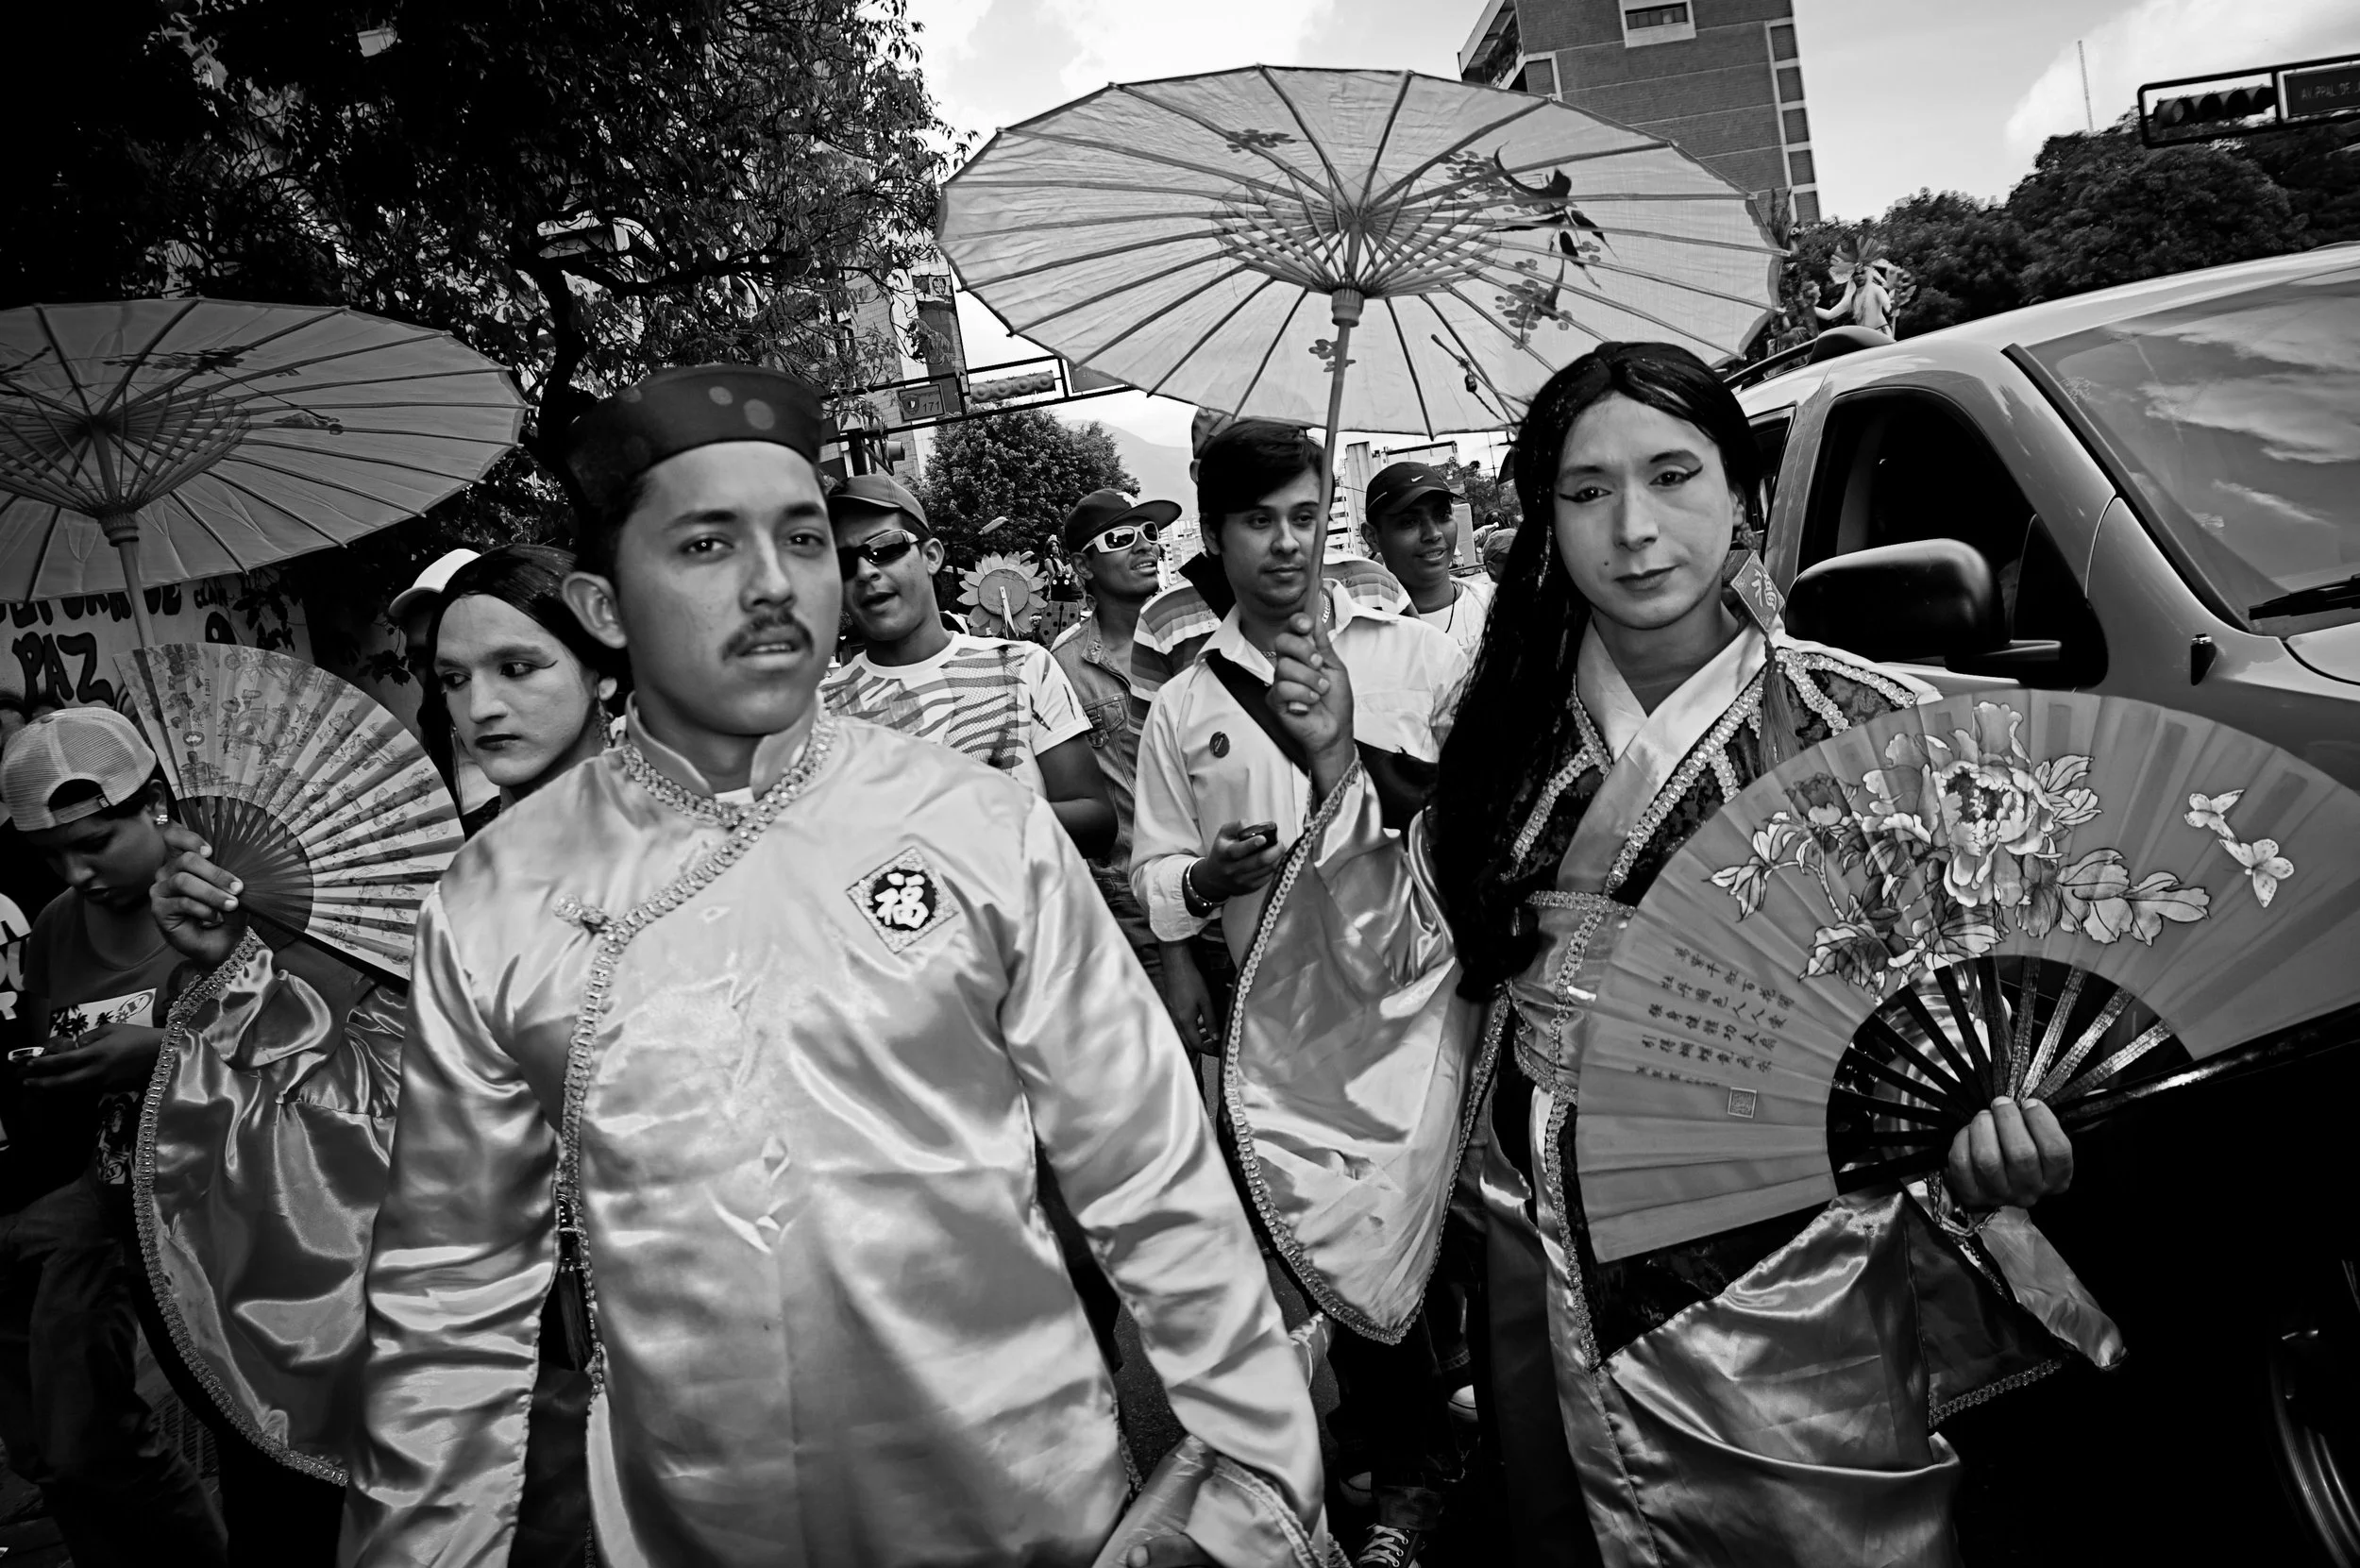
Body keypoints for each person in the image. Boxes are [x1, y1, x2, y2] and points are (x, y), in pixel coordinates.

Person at [339, 363, 1332, 1566]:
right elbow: (449, 1304)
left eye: (801, 538)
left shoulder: (977, 825)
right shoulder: (495, 901)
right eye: (707, 545)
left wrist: (1264, 1475)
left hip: (1026, 1501)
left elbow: (1153, 1176)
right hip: (700, 1519)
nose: (772, 585)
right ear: (605, 607)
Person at [1240, 342, 2108, 1566]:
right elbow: (1418, 961)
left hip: (1795, 1240)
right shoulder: (1499, 744)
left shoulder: (1863, 728)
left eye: (1673, 475)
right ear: (1544, 521)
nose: (1635, 527)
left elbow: (1972, 1003)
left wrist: (1991, 1118)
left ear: (1741, 497)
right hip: (1550, 1243)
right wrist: (1334, 759)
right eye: (1588, 491)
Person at [144, 542, 622, 1568]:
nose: (479, 704)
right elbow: (383, 1103)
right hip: (527, 1338)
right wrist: (234, 967)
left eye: (518, 666)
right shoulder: (463, 888)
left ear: (607, 667)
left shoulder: (716, 846)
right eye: (452, 678)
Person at [1128, 418, 1468, 1566]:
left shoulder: (1410, 657)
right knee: (1330, 1233)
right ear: (1215, 536)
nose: (1283, 547)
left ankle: (1441, 1430)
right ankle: (1405, 1460)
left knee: (1444, 1230)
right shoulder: (1183, 706)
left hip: (1425, 1004)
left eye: (1300, 518)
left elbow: (1476, 820)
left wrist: (1352, 758)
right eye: (1254, 523)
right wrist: (1202, 878)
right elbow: (1153, 868)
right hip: (1290, 1031)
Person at [0, 706, 228, 1566]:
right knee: (66, 1446)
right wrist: (56, 1063)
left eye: (95, 840)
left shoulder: (227, 892)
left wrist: (163, 1053)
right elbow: (47, 1030)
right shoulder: (59, 922)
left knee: (240, 1427)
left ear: (156, 803)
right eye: (53, 855)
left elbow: (304, 1049)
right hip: (102, 1198)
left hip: (223, 1217)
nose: (76, 871)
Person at [821, 472, 1116, 859]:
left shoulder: (1023, 667)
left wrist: (979, 814)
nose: (865, 572)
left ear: (931, 556)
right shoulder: (816, 714)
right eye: (843, 562)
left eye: (886, 548)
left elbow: (1096, 823)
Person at [1129, 409, 1408, 706]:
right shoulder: (1163, 622)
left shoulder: (1374, 586)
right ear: (1201, 475)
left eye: (1282, 445)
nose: (1285, 543)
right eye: (1240, 453)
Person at [1049, 488, 1177, 978]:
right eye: (1123, 537)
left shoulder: (1193, 638)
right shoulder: (1061, 666)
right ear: (1083, 567)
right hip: (1133, 899)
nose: (1146, 545)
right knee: (1168, 1052)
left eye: (1150, 533)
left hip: (1223, 875)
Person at [1363, 462, 1494, 659]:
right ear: (1372, 537)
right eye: (1409, 522)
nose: (1433, 534)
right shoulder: (1360, 638)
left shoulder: (1501, 609)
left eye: (1443, 515)